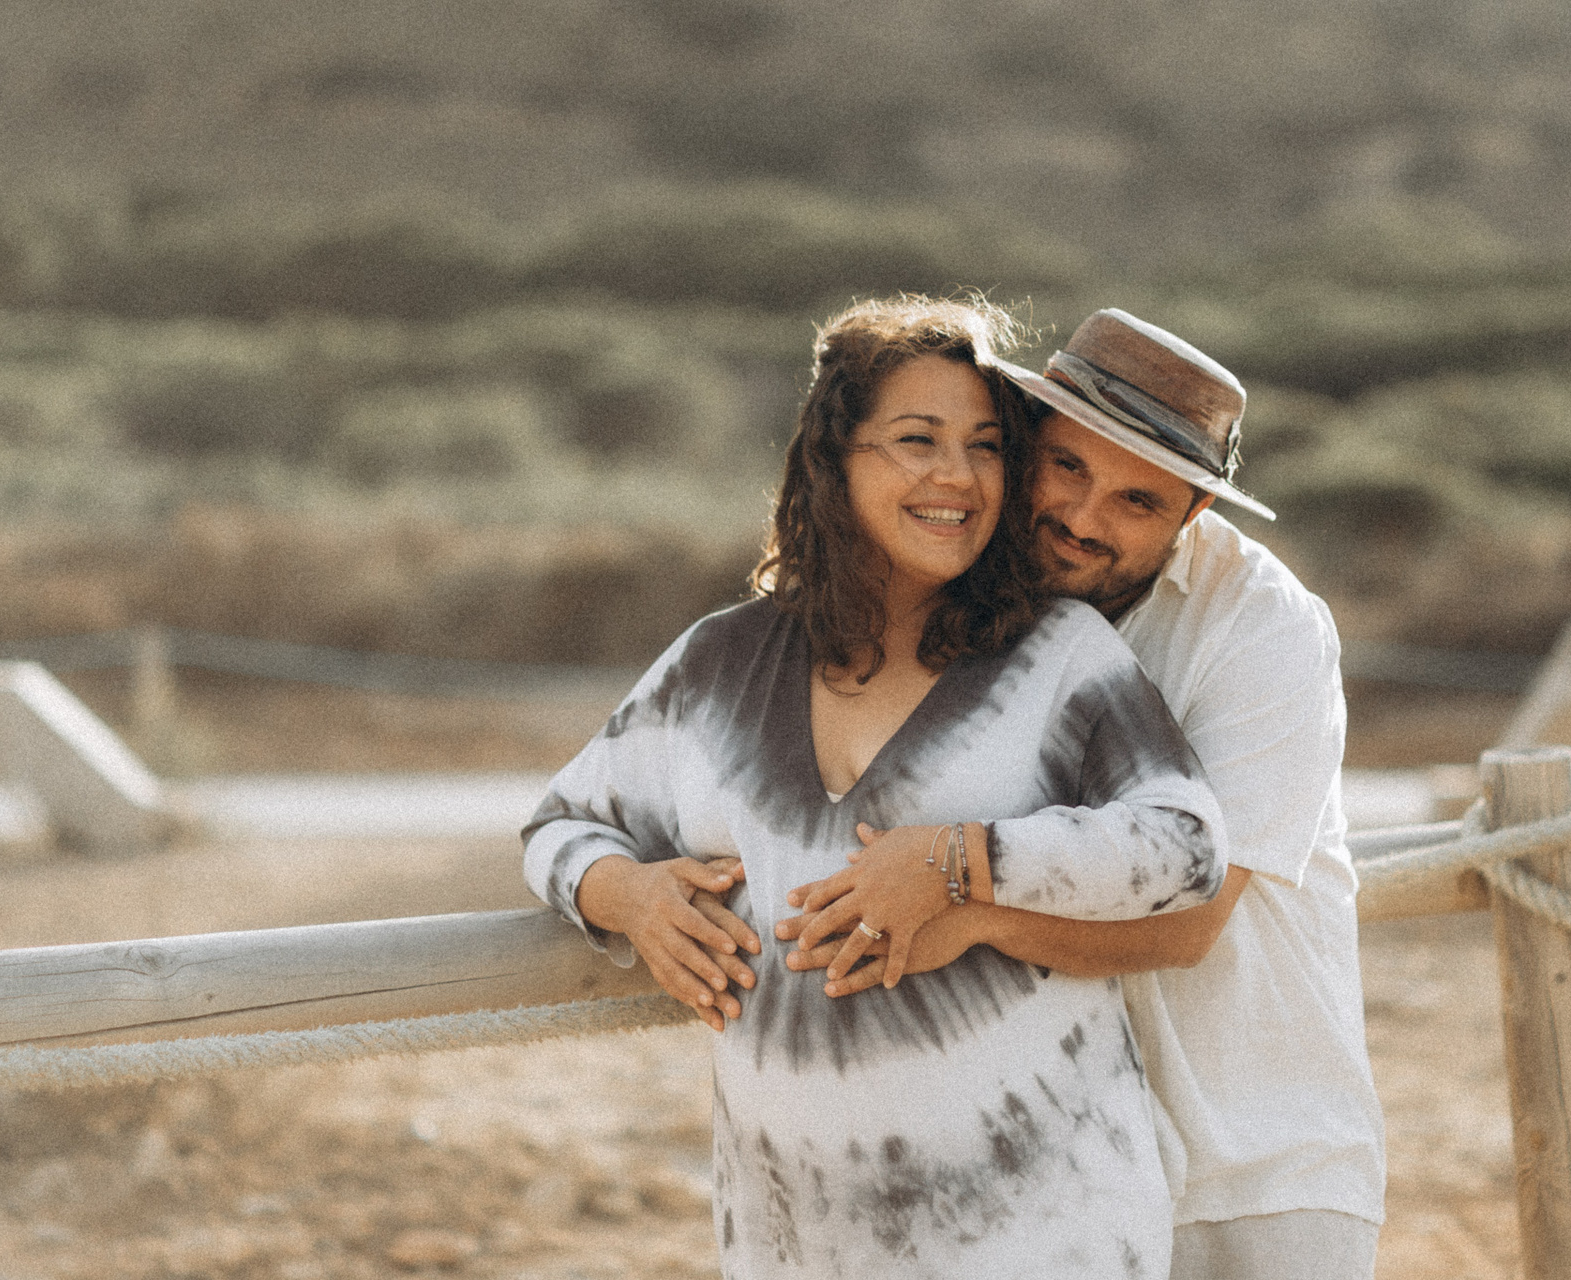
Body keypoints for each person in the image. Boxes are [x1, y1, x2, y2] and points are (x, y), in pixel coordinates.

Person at [523, 296, 1229, 1278]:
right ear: (835, 458)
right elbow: (560, 824)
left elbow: (1186, 846)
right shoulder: (718, 662)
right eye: (917, 440)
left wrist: (961, 862)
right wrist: (628, 896)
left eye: (986, 447)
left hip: (1047, 1228)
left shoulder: (1060, 654)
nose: (958, 476)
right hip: (794, 1238)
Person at [779, 308, 1386, 1279]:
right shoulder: (964, 605)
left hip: (1258, 1165)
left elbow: (1192, 922)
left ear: (1194, 511)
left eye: (1137, 500)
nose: (1084, 518)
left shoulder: (1265, 629)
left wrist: (968, 913)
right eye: (1067, 467)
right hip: (1053, 1182)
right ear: (1026, 446)